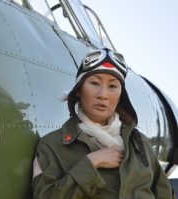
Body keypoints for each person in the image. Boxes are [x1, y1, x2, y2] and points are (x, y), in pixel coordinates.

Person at [32, 48, 176, 199]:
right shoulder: (51, 146)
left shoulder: (140, 143)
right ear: (79, 90)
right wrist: (91, 162)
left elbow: (165, 194)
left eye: (113, 86)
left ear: (121, 96)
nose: (103, 95)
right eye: (94, 83)